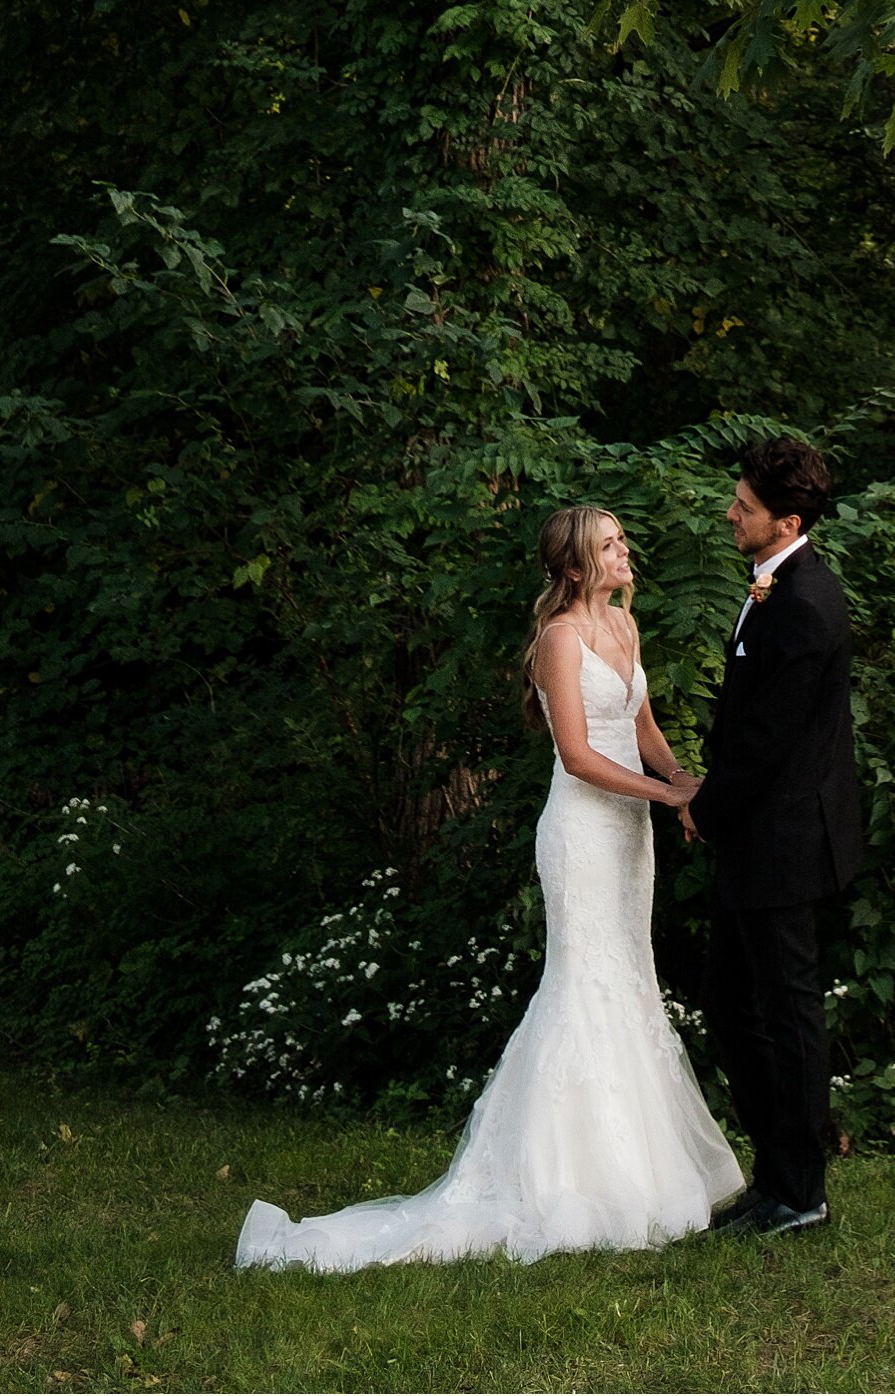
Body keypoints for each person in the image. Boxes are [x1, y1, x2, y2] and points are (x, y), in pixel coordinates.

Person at [232, 504, 740, 1269]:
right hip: (581, 834)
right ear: (573, 568)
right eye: (608, 546)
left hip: (630, 836)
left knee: (630, 978)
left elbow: (641, 729)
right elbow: (575, 755)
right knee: (581, 985)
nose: (624, 551)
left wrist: (681, 780)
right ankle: (564, 1180)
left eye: (622, 540)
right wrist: (666, 798)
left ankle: (637, 1173)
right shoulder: (558, 642)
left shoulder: (626, 629)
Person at [689, 436, 864, 1239]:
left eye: (744, 506)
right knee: (732, 1001)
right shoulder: (775, 587)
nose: (731, 512)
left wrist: (705, 805)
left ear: (785, 520)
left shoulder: (801, 602)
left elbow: (766, 741)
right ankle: (778, 1177)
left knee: (786, 1011)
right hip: (758, 834)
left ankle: (801, 1192)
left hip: (783, 839)